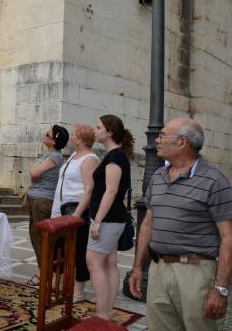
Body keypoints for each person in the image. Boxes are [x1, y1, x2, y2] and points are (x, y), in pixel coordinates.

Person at [129, 118, 232, 331]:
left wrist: (220, 289)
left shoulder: (213, 181)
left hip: (196, 273)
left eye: (162, 135)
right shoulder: (158, 177)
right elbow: (147, 224)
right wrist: (137, 267)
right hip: (159, 270)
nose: (156, 141)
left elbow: (229, 237)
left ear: (182, 142)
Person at [87, 114, 134, 321]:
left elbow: (111, 191)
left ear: (109, 132)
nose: (94, 130)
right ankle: (107, 310)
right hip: (113, 218)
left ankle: (102, 315)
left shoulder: (115, 156)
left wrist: (97, 221)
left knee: (94, 262)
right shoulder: (116, 155)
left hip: (108, 219)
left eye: (98, 127)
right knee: (109, 263)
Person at [50, 123, 99, 301]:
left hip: (77, 209)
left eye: (73, 136)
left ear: (79, 140)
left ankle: (78, 290)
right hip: (63, 208)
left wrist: (77, 214)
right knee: (61, 249)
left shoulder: (90, 159)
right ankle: (59, 284)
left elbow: (89, 189)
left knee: (79, 251)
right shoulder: (74, 155)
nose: (71, 138)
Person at [25, 124, 69, 286]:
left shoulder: (55, 156)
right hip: (38, 198)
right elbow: (34, 175)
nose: (44, 135)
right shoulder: (50, 154)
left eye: (48, 134)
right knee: (36, 236)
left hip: (42, 200)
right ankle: (43, 271)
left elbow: (34, 173)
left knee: (39, 237)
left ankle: (44, 273)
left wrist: (35, 173)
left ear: (53, 140)